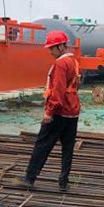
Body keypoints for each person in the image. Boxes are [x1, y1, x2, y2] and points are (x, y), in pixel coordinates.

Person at [19, 30, 80, 192]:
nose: (50, 51)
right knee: (68, 147)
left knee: (43, 144)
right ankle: (64, 182)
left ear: (61, 46)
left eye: (52, 48)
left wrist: (49, 112)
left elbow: (58, 90)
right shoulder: (73, 61)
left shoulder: (61, 64)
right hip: (72, 111)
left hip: (59, 111)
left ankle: (29, 178)